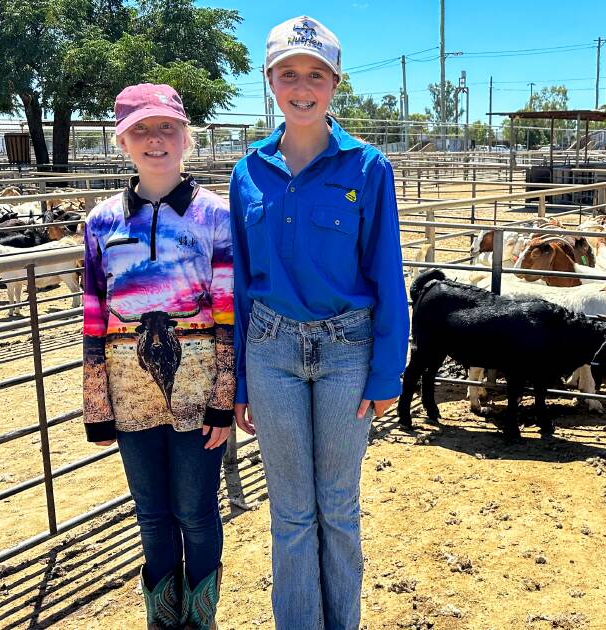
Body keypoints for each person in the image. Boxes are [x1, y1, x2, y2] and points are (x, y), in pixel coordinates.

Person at [229, 16, 409, 629]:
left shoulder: (367, 167)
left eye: (315, 75)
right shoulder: (247, 172)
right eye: (288, 74)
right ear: (269, 82)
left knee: (337, 506)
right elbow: (240, 283)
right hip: (270, 348)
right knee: (290, 511)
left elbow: (388, 274)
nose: (301, 87)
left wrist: (387, 373)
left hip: (345, 351)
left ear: (335, 84)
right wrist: (241, 384)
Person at [81, 83, 234, 629]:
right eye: (140, 130)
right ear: (122, 141)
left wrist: (223, 398)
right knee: (151, 514)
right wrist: (96, 404)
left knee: (195, 509)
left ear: (185, 137)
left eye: (165, 127)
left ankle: (201, 618)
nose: (154, 140)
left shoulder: (216, 216)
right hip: (127, 387)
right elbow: (93, 316)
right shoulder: (100, 223)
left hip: (198, 384)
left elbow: (227, 309)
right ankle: (163, 619)